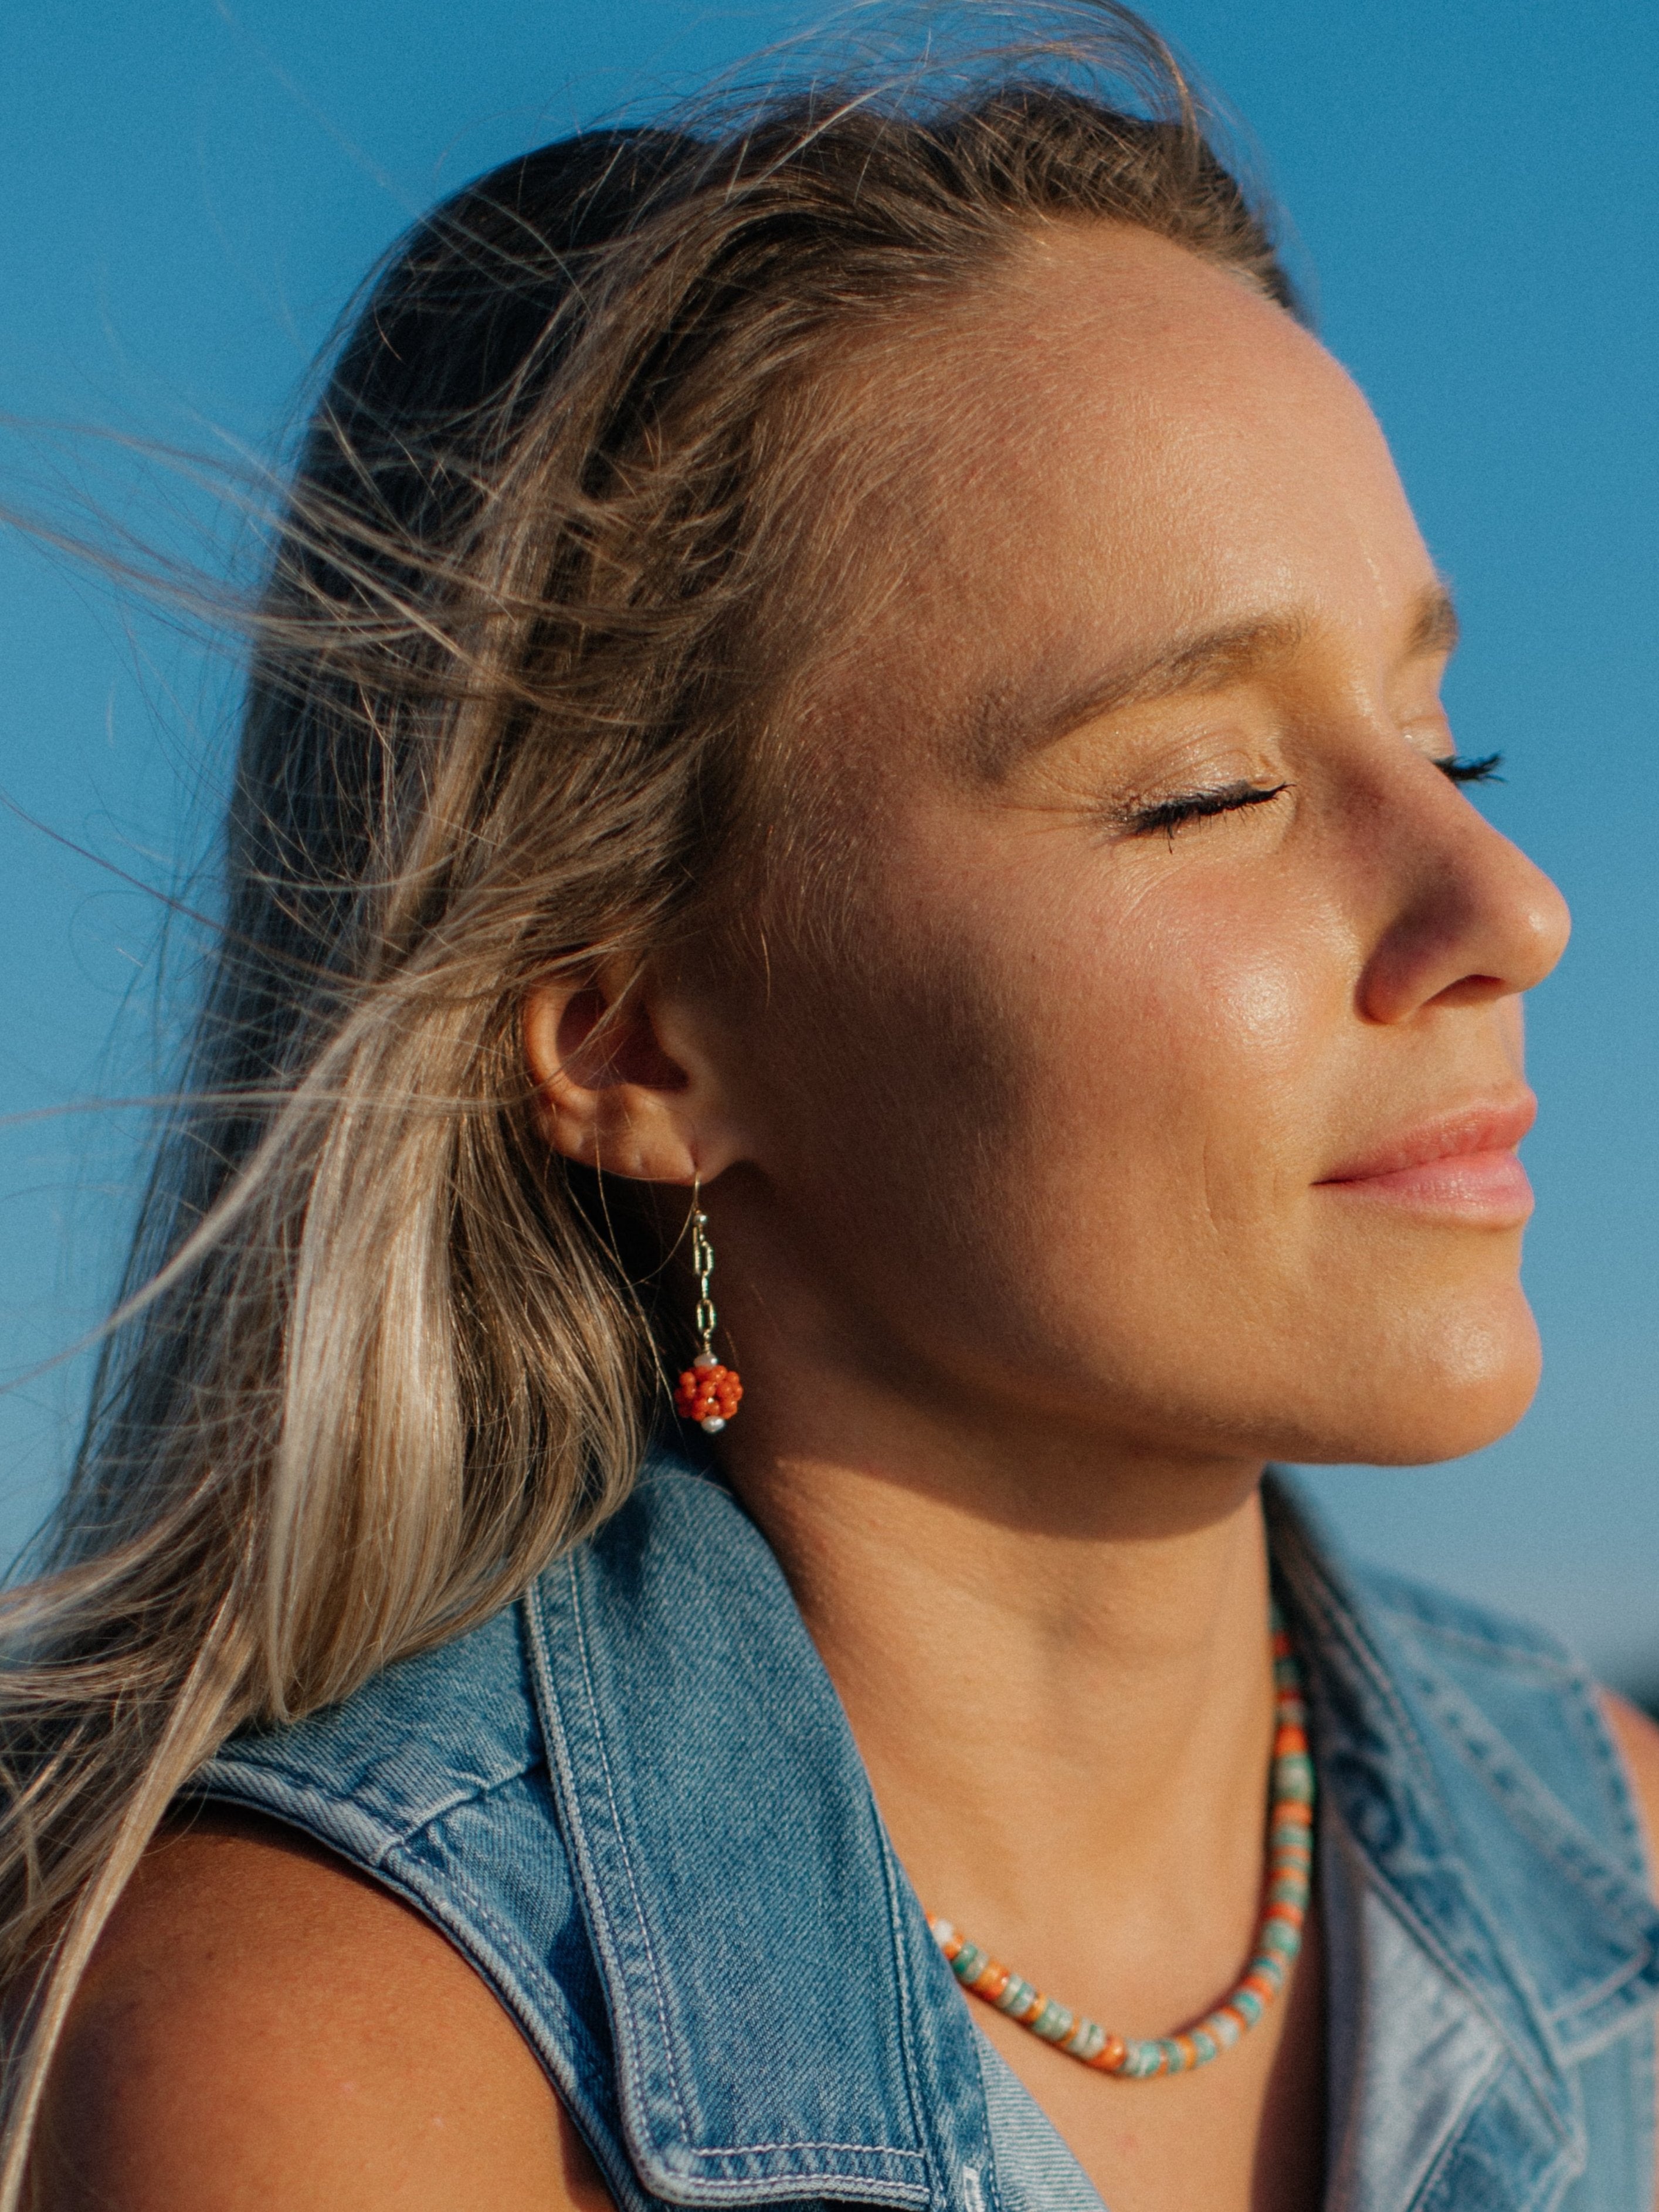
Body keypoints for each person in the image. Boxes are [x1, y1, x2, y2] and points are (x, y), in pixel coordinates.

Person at [4, 7, 1655, 2208]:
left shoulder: (1608, 1869)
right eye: (1207, 790)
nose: (1507, 903)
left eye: (1447, 743)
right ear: (631, 1040)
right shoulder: (335, 2072)